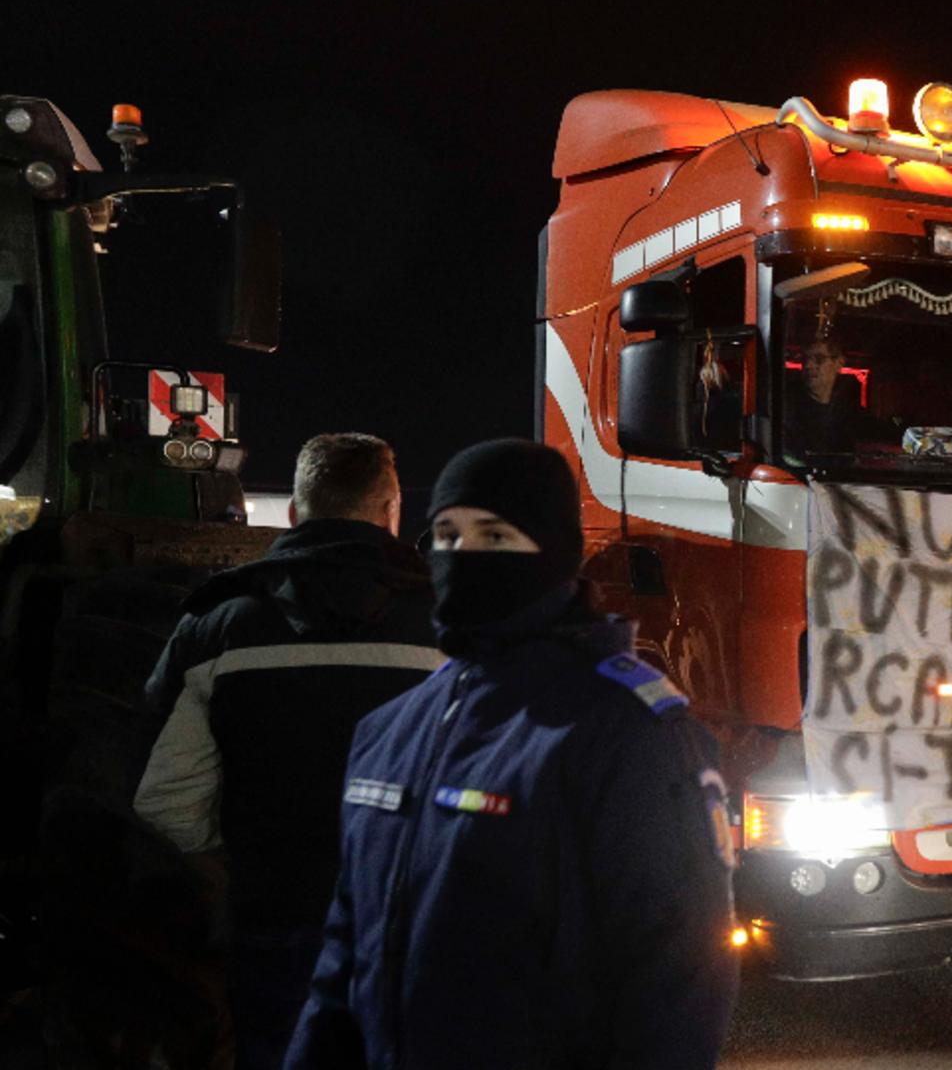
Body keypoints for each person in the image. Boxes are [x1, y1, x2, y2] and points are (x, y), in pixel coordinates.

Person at [285, 438, 738, 1070]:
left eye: (493, 538)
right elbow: (344, 957)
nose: (462, 555)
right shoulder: (390, 731)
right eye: (446, 535)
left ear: (553, 552)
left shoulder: (626, 734)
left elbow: (678, 984)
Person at [132, 432, 440, 1070]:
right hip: (418, 923)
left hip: (275, 916)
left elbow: (167, 804)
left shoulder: (217, 626)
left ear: (296, 515)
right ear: (391, 510)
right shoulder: (454, 629)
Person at [782, 338, 892, 455]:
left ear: (839, 363)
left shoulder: (847, 409)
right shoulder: (787, 406)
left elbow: (877, 430)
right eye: (805, 359)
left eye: (819, 359)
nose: (809, 365)